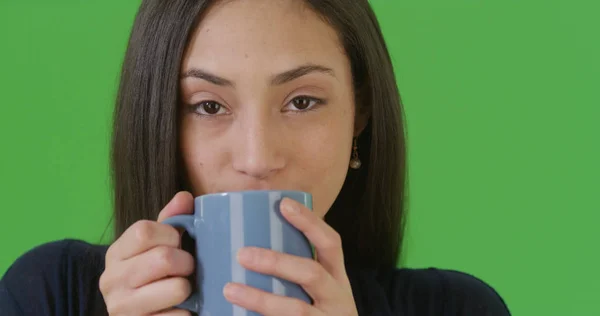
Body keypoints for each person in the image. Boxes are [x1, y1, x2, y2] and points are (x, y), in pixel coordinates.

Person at [0, 0, 511, 315]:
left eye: (302, 102)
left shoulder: (459, 308)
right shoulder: (50, 294)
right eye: (208, 105)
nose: (257, 157)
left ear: (360, 116)